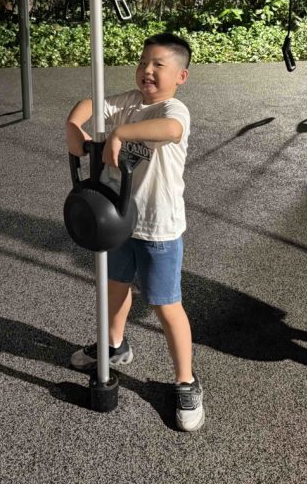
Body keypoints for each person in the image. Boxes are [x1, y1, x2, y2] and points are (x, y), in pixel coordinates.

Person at [64, 33, 203, 432]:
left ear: (181, 76)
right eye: (144, 62)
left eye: (159, 65)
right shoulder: (126, 102)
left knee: (165, 304)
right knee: (115, 287)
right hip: (119, 220)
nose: (148, 70)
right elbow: (92, 101)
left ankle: (186, 381)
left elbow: (171, 129)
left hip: (159, 228)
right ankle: (114, 346)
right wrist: (73, 123)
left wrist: (121, 134)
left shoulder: (175, 109)